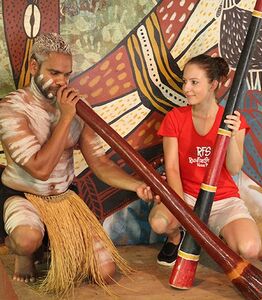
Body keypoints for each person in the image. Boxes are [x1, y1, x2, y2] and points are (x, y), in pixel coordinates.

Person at [0, 32, 158, 294]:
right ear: (33, 67)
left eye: (67, 74)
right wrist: (65, 118)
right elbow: (39, 169)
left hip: (63, 200)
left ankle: (53, 247)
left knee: (105, 271)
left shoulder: (74, 107)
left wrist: (136, 185)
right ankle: (27, 253)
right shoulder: (11, 109)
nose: (62, 82)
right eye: (54, 73)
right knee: (27, 239)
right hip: (23, 195)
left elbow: (100, 162)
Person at [148, 54, 261, 266]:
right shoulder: (175, 117)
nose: (186, 89)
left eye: (194, 83)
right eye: (185, 82)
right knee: (158, 223)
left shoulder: (233, 120)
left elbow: (234, 168)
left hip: (223, 200)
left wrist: (232, 136)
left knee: (249, 248)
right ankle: (176, 237)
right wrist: (182, 210)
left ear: (213, 85)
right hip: (187, 196)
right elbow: (172, 168)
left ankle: (218, 234)